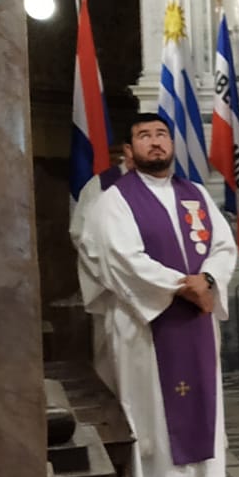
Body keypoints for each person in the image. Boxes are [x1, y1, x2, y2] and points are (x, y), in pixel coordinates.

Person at [79, 116, 236, 477]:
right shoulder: (115, 201)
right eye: (144, 137)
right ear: (129, 151)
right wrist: (183, 288)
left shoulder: (195, 195)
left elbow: (223, 246)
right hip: (145, 327)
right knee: (151, 413)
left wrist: (209, 281)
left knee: (200, 404)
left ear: (172, 144)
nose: (155, 143)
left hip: (195, 319)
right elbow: (121, 260)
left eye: (161, 135)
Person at [71, 132, 134, 393]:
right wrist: (118, 277)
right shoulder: (101, 187)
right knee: (116, 362)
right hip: (116, 292)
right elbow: (83, 235)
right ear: (128, 150)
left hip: (163, 293)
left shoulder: (168, 186)